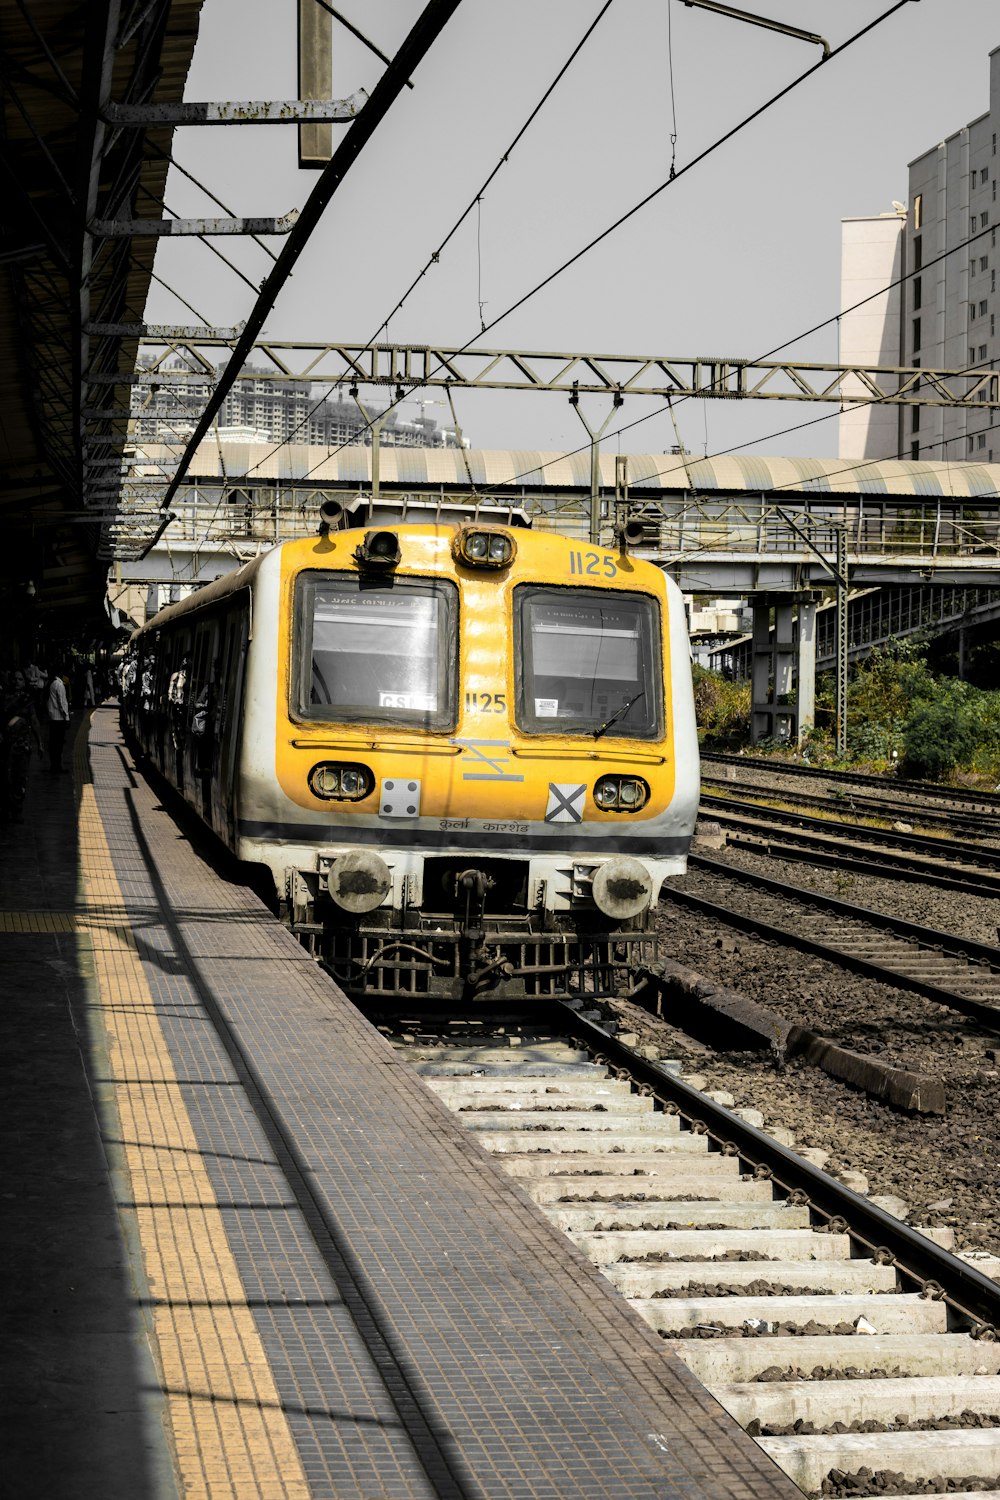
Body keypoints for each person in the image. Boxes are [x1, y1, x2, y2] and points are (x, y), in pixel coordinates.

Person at [1, 673, 43, 821]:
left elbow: (34, 720)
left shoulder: (27, 700)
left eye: (20, 679)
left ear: (24, 682)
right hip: (6, 745)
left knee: (20, 777)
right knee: (5, 777)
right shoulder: (3, 698)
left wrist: (40, 743)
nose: (16, 681)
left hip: (22, 745)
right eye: (14, 678)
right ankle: (6, 808)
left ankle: (17, 809)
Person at [46, 667, 70, 773]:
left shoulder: (52, 683)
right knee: (58, 744)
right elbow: (62, 702)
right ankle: (57, 766)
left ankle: (54, 765)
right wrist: (67, 717)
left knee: (54, 743)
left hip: (53, 717)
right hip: (59, 718)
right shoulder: (59, 685)